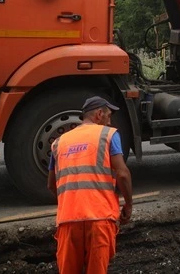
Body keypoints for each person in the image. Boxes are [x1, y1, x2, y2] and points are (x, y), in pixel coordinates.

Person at [48, 96, 132, 274]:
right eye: (108, 116)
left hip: (68, 221)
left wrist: (71, 202)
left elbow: (51, 185)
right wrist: (128, 206)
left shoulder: (59, 143)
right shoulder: (108, 135)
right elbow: (123, 174)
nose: (109, 121)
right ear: (99, 114)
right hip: (99, 218)